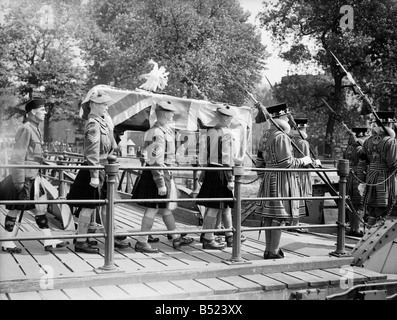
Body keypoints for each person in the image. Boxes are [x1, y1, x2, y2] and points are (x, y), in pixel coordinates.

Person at [0, 98, 69, 253]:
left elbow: (34, 154)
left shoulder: (35, 128)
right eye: (42, 109)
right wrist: (19, 183)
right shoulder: (26, 129)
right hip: (24, 178)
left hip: (33, 176)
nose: (45, 112)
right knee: (15, 209)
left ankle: (48, 240)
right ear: (33, 112)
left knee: (40, 208)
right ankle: (7, 242)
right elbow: (18, 157)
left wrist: (46, 163)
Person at [67, 90, 129, 254]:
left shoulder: (102, 122)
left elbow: (112, 146)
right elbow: (92, 152)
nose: (106, 108)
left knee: (105, 205)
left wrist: (109, 127)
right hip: (94, 169)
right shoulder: (93, 124)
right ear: (93, 105)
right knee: (88, 206)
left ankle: (110, 236)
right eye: (103, 105)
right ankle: (80, 241)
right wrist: (94, 175)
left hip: (103, 168)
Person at [131, 100, 194, 253]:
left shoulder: (163, 130)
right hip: (157, 174)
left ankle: (175, 237)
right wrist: (160, 183)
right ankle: (142, 241)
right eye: (171, 113)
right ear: (166, 114)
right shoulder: (158, 133)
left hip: (162, 172)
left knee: (165, 209)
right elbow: (155, 160)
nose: (173, 115)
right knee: (153, 209)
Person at [255, 102, 313, 259]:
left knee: (268, 216)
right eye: (286, 116)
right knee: (280, 217)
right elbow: (287, 162)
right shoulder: (281, 136)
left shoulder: (265, 135)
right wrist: (304, 160)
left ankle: (268, 249)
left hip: (268, 177)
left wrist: (263, 175)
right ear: (281, 117)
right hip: (281, 179)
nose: (288, 119)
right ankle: (273, 250)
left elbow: (259, 161)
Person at [196, 104, 245, 250]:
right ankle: (208, 238)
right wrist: (230, 178)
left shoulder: (211, 131)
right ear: (224, 118)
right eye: (229, 118)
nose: (231, 121)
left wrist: (204, 171)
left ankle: (224, 235)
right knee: (214, 207)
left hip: (211, 169)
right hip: (221, 171)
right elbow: (226, 158)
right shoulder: (226, 133)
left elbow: (204, 154)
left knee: (223, 207)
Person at [357, 111, 397, 227]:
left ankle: (369, 234)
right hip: (386, 179)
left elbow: (362, 162)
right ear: (390, 124)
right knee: (384, 209)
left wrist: (362, 179)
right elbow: (392, 164)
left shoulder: (368, 141)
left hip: (371, 178)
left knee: (373, 210)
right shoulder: (391, 142)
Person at [289, 117, 320, 227]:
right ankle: (295, 224)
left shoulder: (290, 140)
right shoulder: (303, 142)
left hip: (292, 172)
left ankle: (291, 223)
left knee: (293, 197)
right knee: (299, 198)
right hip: (301, 173)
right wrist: (316, 162)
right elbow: (306, 160)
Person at [343, 127, 370, 237]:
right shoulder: (361, 149)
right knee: (359, 204)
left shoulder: (348, 148)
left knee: (350, 203)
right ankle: (357, 229)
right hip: (359, 176)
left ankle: (352, 228)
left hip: (348, 176)